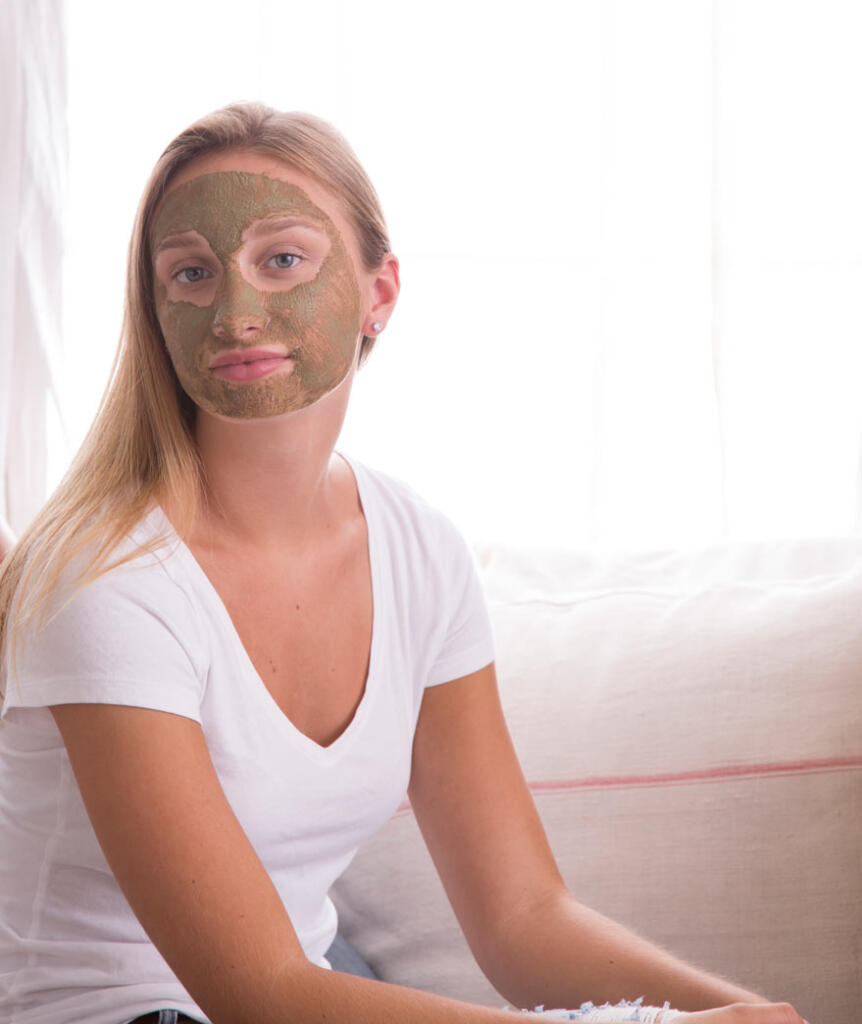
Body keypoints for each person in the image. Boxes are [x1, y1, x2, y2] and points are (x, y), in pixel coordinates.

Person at [0, 103, 808, 1024]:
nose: (237, 311)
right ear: (156, 312)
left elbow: (522, 917)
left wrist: (748, 1013)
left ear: (380, 293)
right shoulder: (108, 580)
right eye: (190, 272)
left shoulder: (420, 550)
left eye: (283, 259)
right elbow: (257, 993)